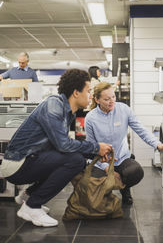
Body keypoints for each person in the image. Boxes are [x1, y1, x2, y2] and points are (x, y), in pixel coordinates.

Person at [0, 70, 112, 227]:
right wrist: (95, 148)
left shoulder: (66, 112)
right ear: (75, 92)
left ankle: (28, 196)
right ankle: (32, 206)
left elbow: (61, 146)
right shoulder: (54, 105)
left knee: (71, 158)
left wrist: (96, 152)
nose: (91, 96)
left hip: (28, 160)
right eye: (88, 91)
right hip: (17, 164)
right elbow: (63, 145)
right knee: (75, 161)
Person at [85, 82, 163, 205]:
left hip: (122, 158)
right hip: (102, 161)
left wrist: (159, 145)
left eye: (113, 97)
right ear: (97, 99)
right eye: (107, 99)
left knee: (136, 172)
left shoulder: (123, 109)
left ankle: (124, 189)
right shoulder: (90, 118)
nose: (112, 101)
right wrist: (107, 169)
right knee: (95, 181)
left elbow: (141, 129)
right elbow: (91, 147)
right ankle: (106, 192)